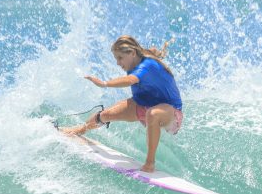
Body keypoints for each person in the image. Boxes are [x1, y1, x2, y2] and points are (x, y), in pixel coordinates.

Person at [62, 35, 183, 173]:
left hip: (171, 113)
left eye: (120, 58)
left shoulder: (146, 66)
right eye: (116, 58)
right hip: (144, 105)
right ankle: (78, 130)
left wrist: (104, 83)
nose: (118, 63)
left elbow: (130, 80)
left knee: (153, 114)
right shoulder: (139, 57)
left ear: (132, 53)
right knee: (105, 114)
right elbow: (152, 52)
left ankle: (150, 164)